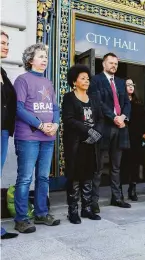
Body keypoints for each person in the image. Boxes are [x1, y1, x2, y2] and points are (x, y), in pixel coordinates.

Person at [13, 43, 60, 233]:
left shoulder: (48, 82)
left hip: (48, 138)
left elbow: (55, 108)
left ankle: (41, 213)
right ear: (30, 60)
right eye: (41, 56)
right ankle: (21, 219)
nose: (45, 60)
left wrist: (55, 124)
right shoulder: (22, 80)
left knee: (43, 177)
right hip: (28, 137)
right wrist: (40, 125)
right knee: (25, 178)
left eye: (46, 57)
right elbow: (18, 108)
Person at [89, 52, 131, 212]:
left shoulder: (121, 82)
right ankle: (94, 201)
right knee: (98, 167)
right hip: (104, 127)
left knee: (116, 166)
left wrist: (123, 117)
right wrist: (114, 117)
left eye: (116, 63)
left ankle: (117, 197)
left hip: (120, 128)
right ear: (104, 64)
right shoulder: (96, 80)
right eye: (111, 63)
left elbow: (127, 103)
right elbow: (98, 103)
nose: (114, 66)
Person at [62, 65, 104, 224]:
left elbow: (100, 119)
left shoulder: (94, 98)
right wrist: (88, 131)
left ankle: (86, 209)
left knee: (88, 175)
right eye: (82, 78)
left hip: (91, 144)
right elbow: (69, 119)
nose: (86, 81)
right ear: (74, 81)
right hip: (75, 143)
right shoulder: (69, 97)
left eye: (87, 78)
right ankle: (72, 211)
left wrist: (97, 133)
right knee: (74, 176)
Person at [1, 30, 18, 239]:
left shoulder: (3, 73)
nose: (6, 46)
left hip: (3, 131)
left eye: (7, 43)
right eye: (2, 43)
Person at [120, 78, 145, 201]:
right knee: (122, 164)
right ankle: (119, 191)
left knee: (135, 163)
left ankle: (132, 189)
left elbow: (143, 120)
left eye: (132, 84)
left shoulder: (138, 102)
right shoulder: (120, 102)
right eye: (128, 85)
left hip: (136, 137)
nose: (131, 87)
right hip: (123, 135)